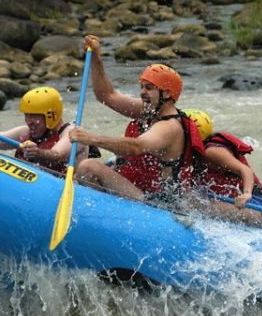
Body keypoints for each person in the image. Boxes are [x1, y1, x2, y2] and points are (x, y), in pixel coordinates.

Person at [68, 35, 205, 201]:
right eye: (141, 87)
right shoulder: (148, 110)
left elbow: (136, 147)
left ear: (167, 93)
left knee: (88, 167)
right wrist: (96, 58)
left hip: (157, 202)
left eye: (149, 88)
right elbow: (106, 95)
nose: (142, 92)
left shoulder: (169, 127)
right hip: (137, 189)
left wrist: (90, 138)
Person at [0, 86, 88, 173]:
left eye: (33, 116)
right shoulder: (24, 133)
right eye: (27, 115)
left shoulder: (72, 132)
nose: (28, 121)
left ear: (51, 115)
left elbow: (58, 154)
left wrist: (38, 153)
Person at [184, 109, 262, 228]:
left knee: (193, 204)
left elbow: (244, 170)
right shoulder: (192, 155)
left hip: (256, 206)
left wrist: (246, 194)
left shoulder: (211, 151)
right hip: (232, 202)